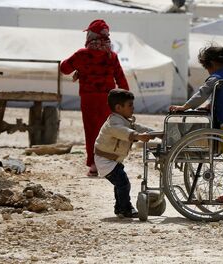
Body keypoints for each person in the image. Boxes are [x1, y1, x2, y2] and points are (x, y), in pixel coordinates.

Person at [169, 44, 223, 204]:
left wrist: (184, 107)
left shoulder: (216, 78)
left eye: (206, 67)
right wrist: (209, 105)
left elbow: (201, 94)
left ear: (212, 65)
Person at [61, 19, 129, 176]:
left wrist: (79, 68)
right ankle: (108, 163)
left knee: (91, 131)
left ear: (91, 36)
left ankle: (94, 165)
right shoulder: (111, 56)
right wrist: (126, 102)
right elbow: (121, 80)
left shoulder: (82, 55)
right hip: (109, 100)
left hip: (89, 99)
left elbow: (64, 68)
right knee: (107, 131)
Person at [94, 89, 156, 218]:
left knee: (120, 184)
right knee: (123, 183)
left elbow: (136, 128)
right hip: (105, 160)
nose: (133, 108)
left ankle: (119, 208)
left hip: (111, 160)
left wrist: (153, 132)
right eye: (130, 105)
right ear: (118, 107)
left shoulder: (124, 120)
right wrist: (138, 136)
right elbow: (123, 131)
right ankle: (126, 208)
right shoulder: (113, 123)